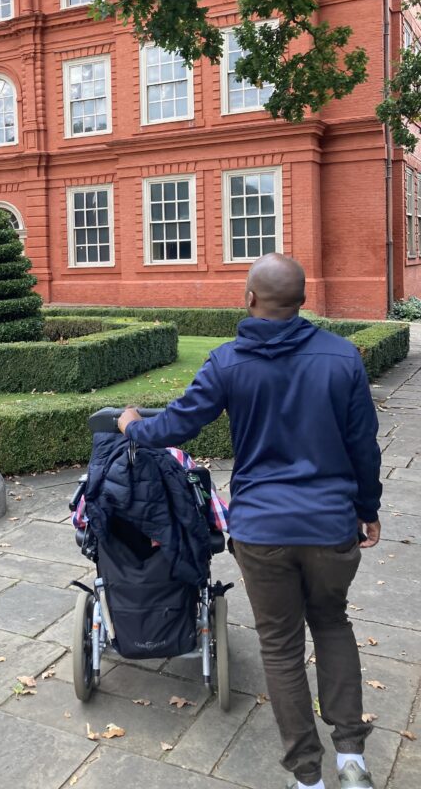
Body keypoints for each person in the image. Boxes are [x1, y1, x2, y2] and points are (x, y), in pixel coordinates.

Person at [117, 253, 381, 789]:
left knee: (280, 646)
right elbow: (364, 448)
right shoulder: (342, 358)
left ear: (249, 299)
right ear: (303, 301)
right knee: (332, 623)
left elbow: (179, 423)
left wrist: (131, 426)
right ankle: (351, 758)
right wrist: (367, 510)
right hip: (331, 525)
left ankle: (307, 776)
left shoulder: (228, 361)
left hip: (262, 530)